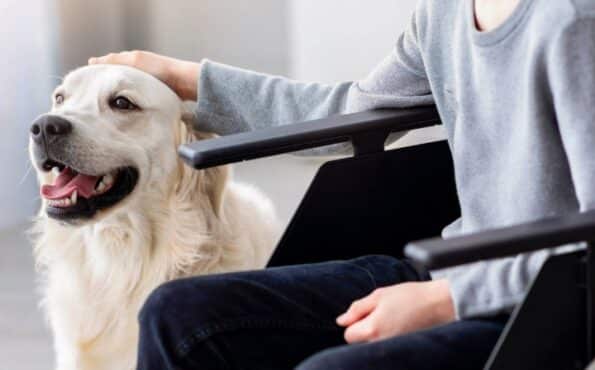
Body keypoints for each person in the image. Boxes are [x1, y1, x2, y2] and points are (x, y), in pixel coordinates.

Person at [89, 0, 595, 369]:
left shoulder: (572, 22)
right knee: (178, 315)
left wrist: (449, 298)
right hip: (451, 272)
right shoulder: (443, 12)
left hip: (549, 302)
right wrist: (185, 78)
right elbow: (353, 110)